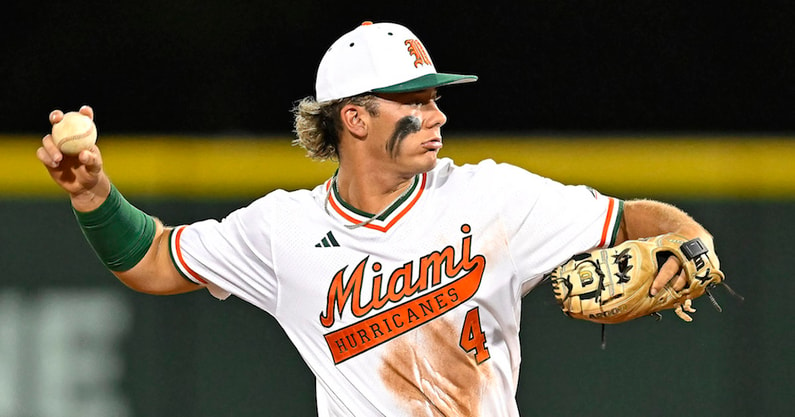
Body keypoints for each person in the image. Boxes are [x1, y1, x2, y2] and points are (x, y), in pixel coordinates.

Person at [36, 21, 719, 417]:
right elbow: (153, 259)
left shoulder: (495, 198)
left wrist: (687, 241)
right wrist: (92, 195)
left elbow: (631, 216)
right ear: (354, 118)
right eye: (414, 102)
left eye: (433, 98)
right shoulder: (282, 230)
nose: (438, 115)